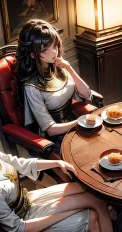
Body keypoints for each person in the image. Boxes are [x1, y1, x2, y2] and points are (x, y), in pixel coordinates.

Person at [16, 19, 92, 155]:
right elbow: (50, 129)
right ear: (33, 54)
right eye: (46, 50)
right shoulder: (31, 87)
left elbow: (86, 94)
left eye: (55, 46)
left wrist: (69, 68)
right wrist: (80, 123)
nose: (54, 52)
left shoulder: (58, 66)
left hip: (73, 124)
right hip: (54, 139)